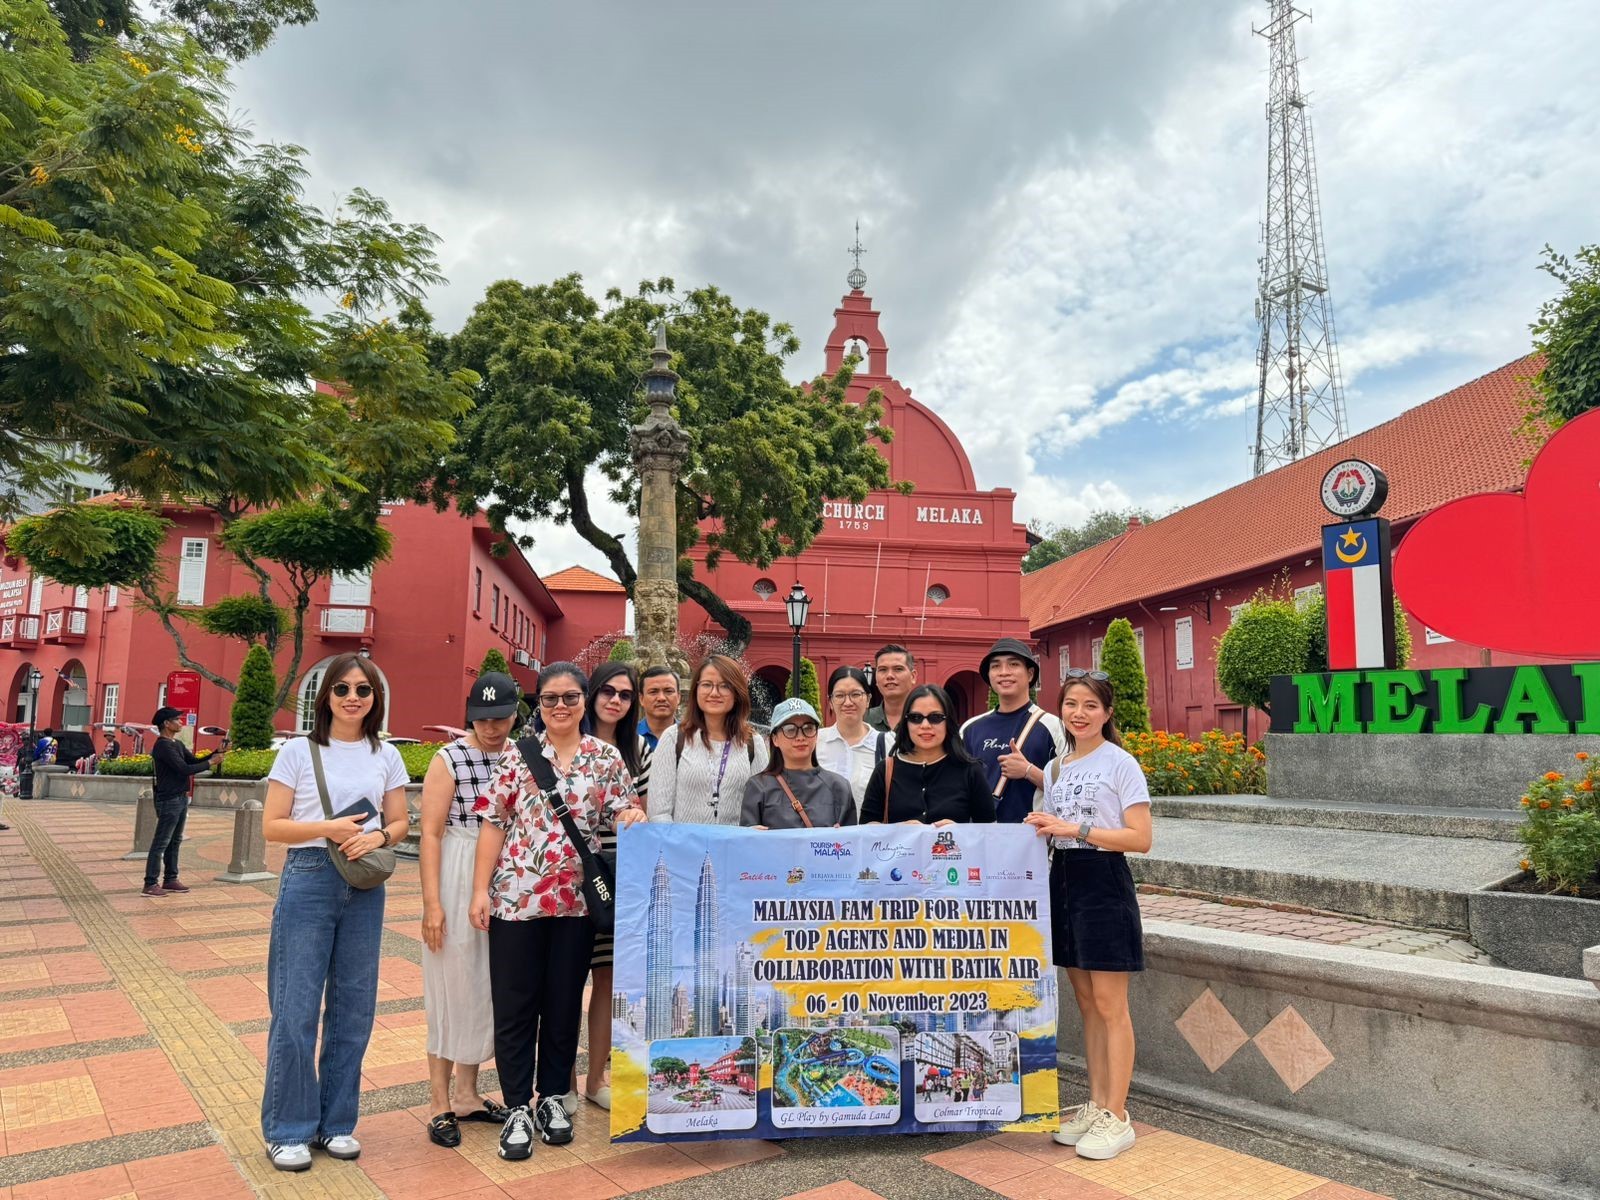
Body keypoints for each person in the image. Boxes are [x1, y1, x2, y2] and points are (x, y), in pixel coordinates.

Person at [468, 662, 645, 1162]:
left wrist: (632, 813)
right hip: (514, 900)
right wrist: (479, 890)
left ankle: (552, 1099)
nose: (561, 707)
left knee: (564, 1002)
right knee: (516, 1003)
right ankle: (517, 1104)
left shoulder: (604, 757)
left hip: (574, 903)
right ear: (538, 704)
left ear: (584, 702)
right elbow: (493, 824)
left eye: (570, 698)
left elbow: (626, 810)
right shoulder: (516, 756)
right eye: (551, 699)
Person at [260, 655, 409, 1173]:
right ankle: (287, 1129)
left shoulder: (385, 754)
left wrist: (380, 835)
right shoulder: (300, 751)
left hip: (365, 882)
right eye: (342, 688)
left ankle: (337, 1122)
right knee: (296, 1007)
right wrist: (328, 828)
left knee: (353, 1009)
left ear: (375, 698)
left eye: (363, 689)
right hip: (309, 877)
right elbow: (273, 827)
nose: (353, 697)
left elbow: (401, 821)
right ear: (325, 696)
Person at [1024, 670, 1153, 1162]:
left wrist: (1074, 826)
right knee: (1084, 998)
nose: (1079, 713)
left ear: (1107, 712)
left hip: (1103, 880)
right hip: (1065, 879)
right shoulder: (1056, 767)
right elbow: (1055, 829)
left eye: (1090, 706)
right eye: (1071, 704)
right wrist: (1041, 826)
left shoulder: (1121, 763)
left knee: (1109, 1003)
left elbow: (1140, 838)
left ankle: (1117, 1116)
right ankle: (1098, 1102)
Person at [417, 672, 517, 1149]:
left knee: (484, 984)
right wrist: (432, 903)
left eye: (499, 718)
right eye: (481, 719)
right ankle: (439, 1099)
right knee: (448, 981)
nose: (491, 728)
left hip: (508, 873)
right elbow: (431, 834)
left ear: (515, 713)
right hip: (458, 867)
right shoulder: (449, 758)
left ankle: (467, 1093)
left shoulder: (523, 756)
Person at [578, 661, 652, 1111]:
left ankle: (595, 1077)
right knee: (565, 982)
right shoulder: (568, 742)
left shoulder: (637, 749)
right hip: (567, 876)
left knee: (606, 979)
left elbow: (642, 811)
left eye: (625, 695)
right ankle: (560, 1079)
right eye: (607, 691)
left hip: (614, 876)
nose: (616, 701)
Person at [648, 655, 766, 825]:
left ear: (737, 692)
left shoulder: (752, 743)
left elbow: (760, 807)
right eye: (706, 685)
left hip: (734, 848)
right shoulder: (674, 738)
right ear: (696, 690)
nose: (714, 693)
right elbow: (659, 813)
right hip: (684, 847)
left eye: (724, 686)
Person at [960, 637, 1067, 824]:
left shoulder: (1053, 727)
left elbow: (1072, 792)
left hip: (1031, 838)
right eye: (995, 666)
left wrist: (1028, 771)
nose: (1004, 673)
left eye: (1013, 664)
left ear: (1030, 673)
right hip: (980, 839)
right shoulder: (970, 729)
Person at [862, 685, 995, 825]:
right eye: (916, 717)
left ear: (948, 721)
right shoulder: (885, 770)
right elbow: (866, 829)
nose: (925, 725)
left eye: (935, 717)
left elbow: (989, 832)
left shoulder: (970, 771)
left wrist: (959, 833)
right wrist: (898, 831)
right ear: (906, 722)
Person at [144, 707, 226, 898]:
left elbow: (193, 761)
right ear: (166, 723)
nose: (181, 722)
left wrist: (217, 752)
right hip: (168, 798)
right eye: (177, 719)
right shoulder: (163, 746)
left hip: (180, 796)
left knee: (175, 840)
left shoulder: (177, 744)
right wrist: (211, 763)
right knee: (161, 842)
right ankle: (150, 883)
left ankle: (170, 878)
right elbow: (183, 769)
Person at [741, 698, 856, 829]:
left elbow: (851, 844)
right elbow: (747, 844)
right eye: (790, 729)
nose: (800, 737)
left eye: (808, 728)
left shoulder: (839, 787)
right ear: (775, 739)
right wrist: (750, 835)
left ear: (816, 735)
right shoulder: (758, 787)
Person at [817, 666, 891, 809]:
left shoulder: (885, 744)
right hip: (823, 830)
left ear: (868, 699)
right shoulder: (815, 742)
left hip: (868, 830)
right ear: (830, 702)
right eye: (839, 696)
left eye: (856, 694)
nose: (848, 702)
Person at [864, 645, 917, 733]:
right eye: (883, 670)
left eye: (898, 669)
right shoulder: (863, 720)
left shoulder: (926, 720)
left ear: (913, 676)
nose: (889, 676)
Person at [637, 666, 681, 751]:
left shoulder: (692, 737)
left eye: (668, 691)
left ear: (679, 697)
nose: (661, 698)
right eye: (653, 692)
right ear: (641, 699)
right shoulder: (627, 737)